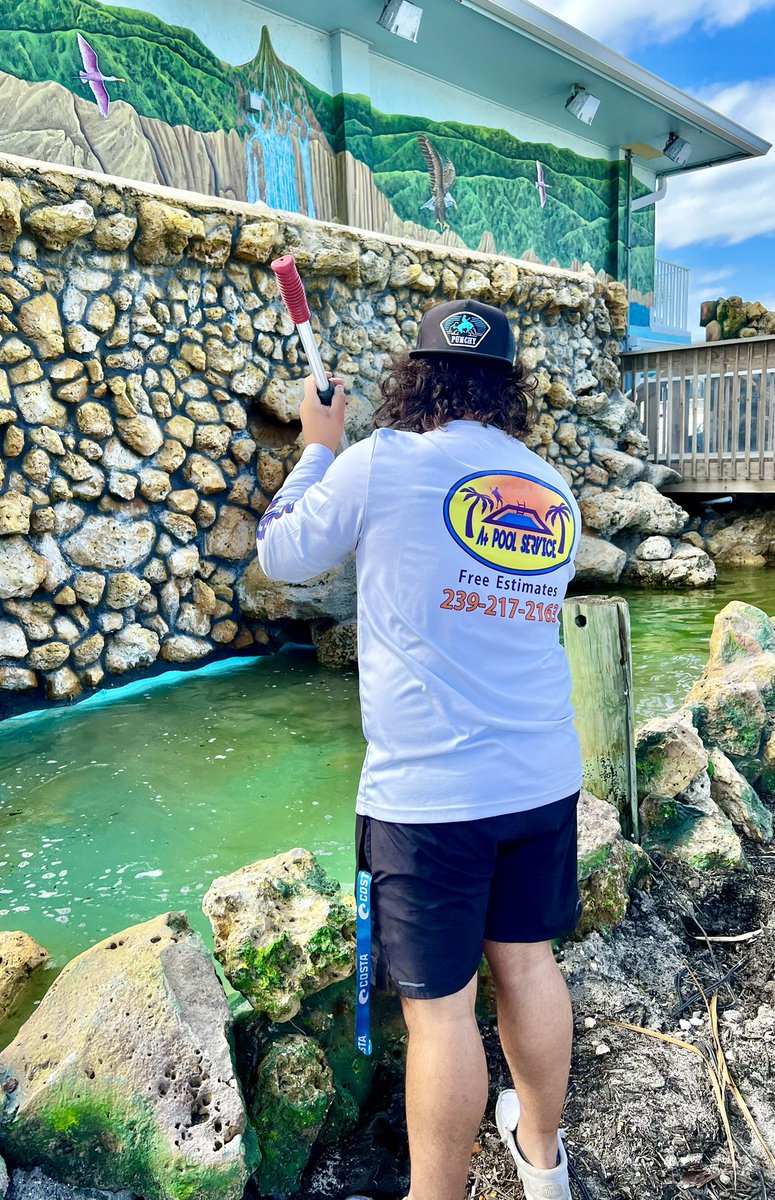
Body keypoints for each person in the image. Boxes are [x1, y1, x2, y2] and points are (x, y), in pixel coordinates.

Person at [256, 298, 582, 1200]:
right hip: (542, 778)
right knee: (528, 963)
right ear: (508, 388)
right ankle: (544, 1168)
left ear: (418, 377)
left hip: (430, 799)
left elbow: (282, 553)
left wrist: (318, 444)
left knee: (441, 1017)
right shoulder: (552, 489)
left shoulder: (381, 462)